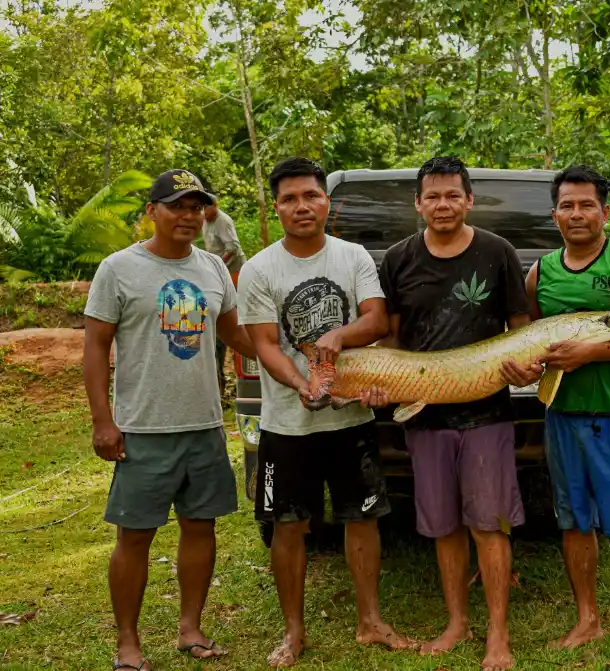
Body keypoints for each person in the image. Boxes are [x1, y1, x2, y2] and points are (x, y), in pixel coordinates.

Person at [235, 157, 413, 668]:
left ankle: (371, 621)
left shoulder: (353, 256)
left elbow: (376, 318)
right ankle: (293, 632)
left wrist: (339, 336)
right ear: (276, 208)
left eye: (310, 195)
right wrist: (300, 384)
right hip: (285, 425)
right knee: (287, 523)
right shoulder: (260, 269)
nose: (301, 206)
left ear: (325, 201)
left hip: (352, 420)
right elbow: (265, 344)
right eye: (289, 199)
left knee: (363, 519)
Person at [83, 168, 258, 671]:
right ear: (151, 212)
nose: (188, 216)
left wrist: (288, 365)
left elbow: (238, 335)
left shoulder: (213, 269)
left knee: (201, 527)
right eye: (177, 205)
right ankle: (127, 644)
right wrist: (103, 420)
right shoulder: (118, 269)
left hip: (203, 425)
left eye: (197, 206)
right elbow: (95, 349)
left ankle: (190, 630)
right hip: (143, 428)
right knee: (135, 535)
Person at [500, 164, 610, 663]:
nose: (577, 214)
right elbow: (528, 339)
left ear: (604, 211)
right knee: (574, 523)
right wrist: (520, 367)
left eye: (587, 204)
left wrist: (589, 353)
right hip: (564, 416)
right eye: (568, 205)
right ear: (555, 215)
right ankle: (587, 619)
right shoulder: (540, 272)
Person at [373, 156, 530, 671]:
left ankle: (499, 635)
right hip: (424, 415)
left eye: (452, 195)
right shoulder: (397, 259)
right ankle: (457, 622)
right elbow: (391, 337)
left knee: (490, 524)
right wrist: (381, 383)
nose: (443, 205)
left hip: (488, 414)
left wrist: (525, 365)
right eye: (433, 197)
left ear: (469, 200)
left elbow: (519, 326)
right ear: (418, 204)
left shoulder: (498, 252)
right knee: (443, 527)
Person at [201, 193, 247, 395]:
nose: (203, 212)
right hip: (215, 273)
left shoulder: (223, 221)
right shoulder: (205, 221)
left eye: (206, 208)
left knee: (232, 319)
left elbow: (233, 248)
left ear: (215, 206)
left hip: (233, 273)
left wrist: (217, 266)